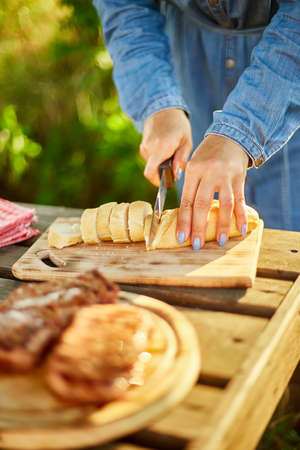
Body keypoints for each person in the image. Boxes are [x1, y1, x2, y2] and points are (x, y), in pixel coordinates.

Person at [93, 0, 300, 250]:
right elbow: (125, 8)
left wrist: (242, 132)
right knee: (201, 212)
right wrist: (157, 102)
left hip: (287, 68)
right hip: (190, 61)